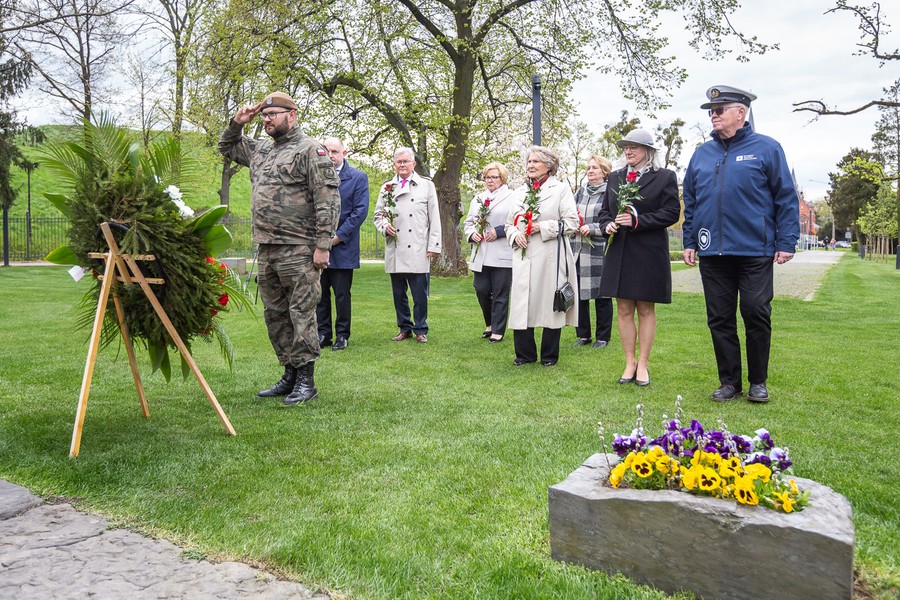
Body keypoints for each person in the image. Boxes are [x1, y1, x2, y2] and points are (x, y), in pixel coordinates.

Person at [219, 91, 340, 405]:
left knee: (301, 313)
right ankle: (289, 373)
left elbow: (327, 201)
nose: (267, 119)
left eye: (273, 114)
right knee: (275, 315)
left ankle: (306, 380)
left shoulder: (311, 150)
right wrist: (237, 122)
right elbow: (227, 146)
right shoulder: (261, 150)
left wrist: (323, 246)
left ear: (292, 115)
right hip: (268, 248)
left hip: (299, 249)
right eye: (264, 115)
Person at [682, 85, 800, 403]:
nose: (714, 115)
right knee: (719, 316)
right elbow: (691, 199)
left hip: (754, 248)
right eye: (711, 110)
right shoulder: (701, 154)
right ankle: (729, 382)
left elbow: (785, 197)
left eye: (720, 109)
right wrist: (690, 239)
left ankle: (758, 381)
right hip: (713, 251)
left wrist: (787, 240)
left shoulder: (767, 148)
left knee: (755, 311)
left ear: (741, 112)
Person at [598, 129, 680, 387]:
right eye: (625, 147)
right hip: (620, 251)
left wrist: (638, 220)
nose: (628, 151)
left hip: (648, 251)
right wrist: (607, 225)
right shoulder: (614, 177)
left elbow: (671, 213)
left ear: (648, 151)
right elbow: (604, 212)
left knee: (645, 308)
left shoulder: (665, 177)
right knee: (623, 308)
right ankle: (629, 362)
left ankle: (643, 363)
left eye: (634, 147)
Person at [505, 146, 579, 367]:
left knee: (549, 304)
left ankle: (549, 355)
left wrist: (541, 227)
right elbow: (509, 224)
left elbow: (572, 223)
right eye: (529, 162)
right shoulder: (519, 192)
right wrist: (515, 234)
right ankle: (525, 355)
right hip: (523, 254)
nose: (530, 165)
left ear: (548, 165)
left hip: (550, 256)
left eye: (535, 161)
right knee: (522, 303)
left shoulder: (560, 190)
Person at [373, 148, 442, 343]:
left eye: (406, 161)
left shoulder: (426, 186)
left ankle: (421, 329)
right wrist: (385, 226)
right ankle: (404, 327)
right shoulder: (387, 187)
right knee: (398, 293)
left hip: (418, 246)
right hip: (395, 246)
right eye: (398, 162)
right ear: (394, 164)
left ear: (414, 164)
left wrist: (434, 245)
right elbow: (378, 215)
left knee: (419, 293)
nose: (402, 165)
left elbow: (434, 217)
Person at [316, 137, 370, 352]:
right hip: (319, 245)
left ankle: (342, 335)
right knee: (320, 294)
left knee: (341, 294)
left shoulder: (357, 177)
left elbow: (359, 212)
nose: (331, 155)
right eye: (327, 151)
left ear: (344, 153)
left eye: (335, 151)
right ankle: (323, 333)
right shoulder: (316, 176)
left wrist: (337, 237)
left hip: (343, 246)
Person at [463, 162, 514, 343]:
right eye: (487, 177)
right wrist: (472, 234)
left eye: (494, 177)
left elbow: (518, 222)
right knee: (481, 289)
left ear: (502, 178)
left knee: (500, 293)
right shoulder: (478, 198)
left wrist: (499, 231)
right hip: (481, 252)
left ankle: (498, 330)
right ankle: (490, 323)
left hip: (502, 252)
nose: (490, 180)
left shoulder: (512, 197)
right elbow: (468, 223)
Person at [571, 155, 614, 349]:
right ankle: (583, 335)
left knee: (601, 295)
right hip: (578, 250)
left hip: (599, 249)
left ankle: (603, 337)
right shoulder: (580, 192)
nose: (590, 171)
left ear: (604, 171)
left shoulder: (610, 193)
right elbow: (570, 214)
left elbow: (612, 221)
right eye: (588, 168)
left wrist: (594, 228)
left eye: (595, 168)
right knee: (579, 294)